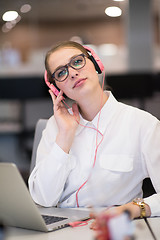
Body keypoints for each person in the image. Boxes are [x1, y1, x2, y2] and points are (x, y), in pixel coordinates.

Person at [28, 40, 160, 221]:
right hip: (61, 229)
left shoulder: (142, 124)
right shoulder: (55, 127)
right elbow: (43, 199)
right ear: (56, 87)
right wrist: (65, 136)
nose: (73, 73)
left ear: (96, 63)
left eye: (77, 62)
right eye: (61, 73)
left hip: (112, 229)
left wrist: (133, 209)